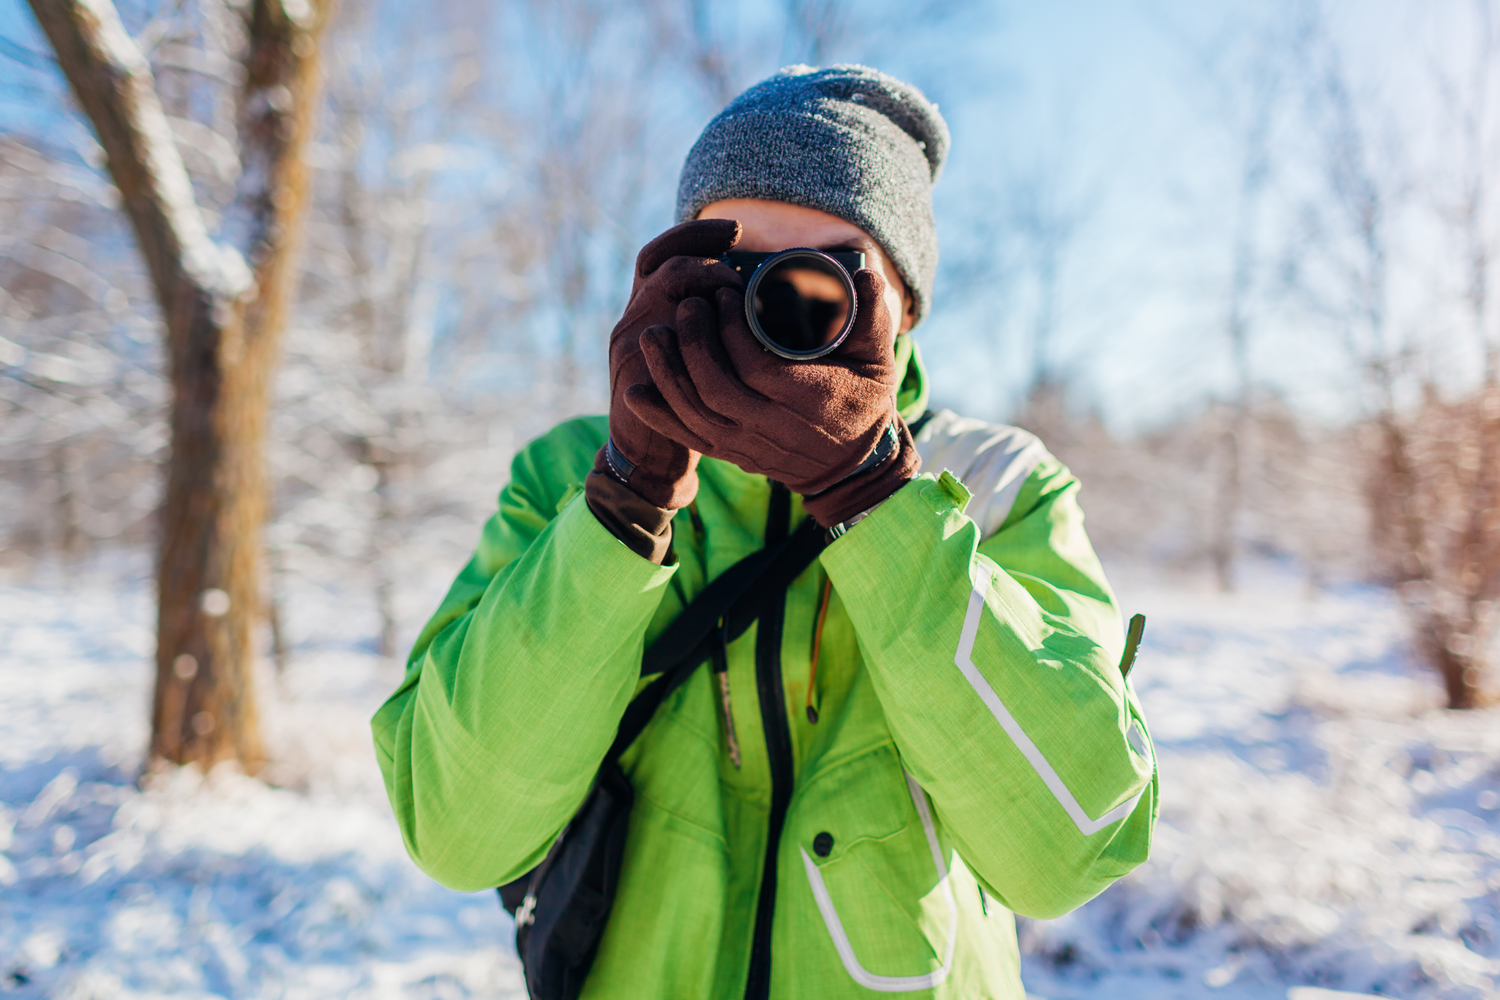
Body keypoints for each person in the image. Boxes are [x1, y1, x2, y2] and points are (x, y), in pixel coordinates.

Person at [372, 64, 1157, 1000]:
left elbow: (1069, 851)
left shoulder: (996, 489)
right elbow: (456, 833)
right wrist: (626, 501)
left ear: (903, 305)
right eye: (731, 268)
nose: (770, 310)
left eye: (823, 280)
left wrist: (875, 498)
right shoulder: (569, 477)